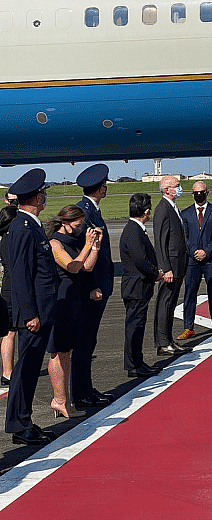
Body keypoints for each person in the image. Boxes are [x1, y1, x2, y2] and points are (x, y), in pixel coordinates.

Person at [4, 169, 58, 445]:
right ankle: (19, 424)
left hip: (42, 309)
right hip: (34, 314)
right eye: (44, 193)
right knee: (24, 369)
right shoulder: (23, 228)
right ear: (37, 197)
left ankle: (23, 420)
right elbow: (21, 275)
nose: (45, 197)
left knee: (28, 369)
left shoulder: (31, 224)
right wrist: (30, 314)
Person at [46, 206, 102, 419]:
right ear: (65, 223)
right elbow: (72, 266)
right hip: (62, 300)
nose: (80, 229)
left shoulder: (73, 241)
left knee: (66, 352)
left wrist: (94, 247)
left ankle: (63, 399)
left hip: (74, 299)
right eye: (78, 225)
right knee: (59, 351)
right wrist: (88, 244)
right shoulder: (55, 243)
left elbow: (86, 266)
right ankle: (58, 399)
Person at [73, 163, 115, 408]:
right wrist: (92, 286)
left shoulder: (91, 210)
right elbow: (84, 252)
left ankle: (85, 388)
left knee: (89, 340)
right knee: (85, 340)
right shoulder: (85, 213)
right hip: (92, 289)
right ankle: (81, 392)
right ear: (100, 188)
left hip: (98, 285)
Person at [177, 182, 212, 341]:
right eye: (196, 192)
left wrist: (206, 251)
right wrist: (193, 252)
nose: (199, 194)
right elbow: (184, 237)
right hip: (192, 260)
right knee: (190, 293)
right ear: (192, 194)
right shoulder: (184, 214)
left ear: (207, 192)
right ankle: (188, 327)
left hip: (211, 259)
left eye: (202, 192)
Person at [120, 193, 163, 377]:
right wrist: (156, 272)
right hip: (136, 288)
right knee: (134, 327)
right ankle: (133, 364)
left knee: (137, 327)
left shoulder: (134, 229)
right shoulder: (133, 231)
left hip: (138, 287)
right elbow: (140, 260)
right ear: (146, 212)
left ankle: (137, 361)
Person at [153, 175, 189, 356]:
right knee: (165, 303)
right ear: (167, 189)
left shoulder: (172, 207)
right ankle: (162, 342)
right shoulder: (163, 209)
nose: (180, 188)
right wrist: (165, 268)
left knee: (171, 303)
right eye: (177, 185)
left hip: (178, 264)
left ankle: (168, 340)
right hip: (171, 266)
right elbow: (160, 242)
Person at [0, 199, 18, 386]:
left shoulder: (5, 239)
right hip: (12, 286)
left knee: (10, 331)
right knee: (10, 331)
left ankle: (8, 371)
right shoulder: (8, 240)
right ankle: (7, 372)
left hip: (8, 285)